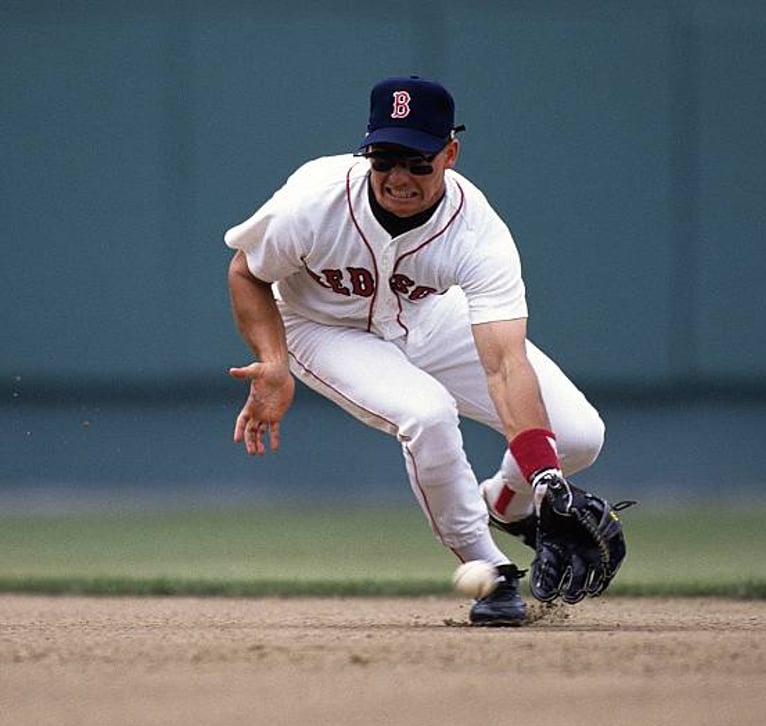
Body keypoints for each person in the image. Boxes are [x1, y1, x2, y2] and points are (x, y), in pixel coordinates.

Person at [224, 75, 615, 626]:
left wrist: (547, 482)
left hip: (429, 319)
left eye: (417, 161)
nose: (398, 177)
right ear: (366, 153)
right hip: (320, 327)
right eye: (384, 159)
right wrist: (274, 359)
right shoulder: (312, 203)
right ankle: (489, 570)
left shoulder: (475, 230)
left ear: (450, 154)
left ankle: (509, 501)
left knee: (576, 437)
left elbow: (505, 363)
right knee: (426, 414)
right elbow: (246, 270)